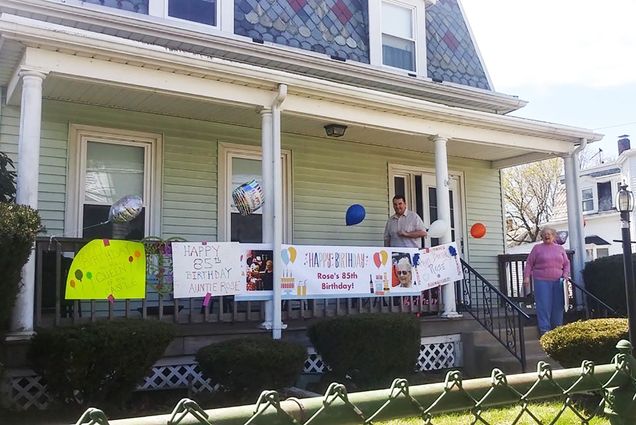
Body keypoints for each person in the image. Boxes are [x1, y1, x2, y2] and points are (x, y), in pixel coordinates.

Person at [523, 227, 571, 336]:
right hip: (541, 281)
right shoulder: (537, 248)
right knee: (543, 305)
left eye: (549, 234)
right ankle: (545, 330)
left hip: (558, 281)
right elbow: (529, 263)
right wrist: (526, 277)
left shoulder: (560, 249)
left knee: (558, 305)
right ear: (542, 236)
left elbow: (567, 264)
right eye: (544, 234)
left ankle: (557, 329)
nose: (547, 235)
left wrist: (565, 275)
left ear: (554, 236)